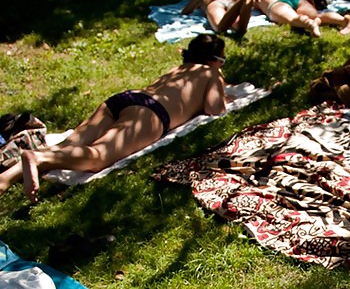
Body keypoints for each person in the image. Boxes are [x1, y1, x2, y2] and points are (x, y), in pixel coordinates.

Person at [0, 33, 228, 203]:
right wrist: (220, 81)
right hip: (151, 113)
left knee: (67, 146)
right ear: (216, 59)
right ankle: (36, 159)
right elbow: (214, 109)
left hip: (126, 98)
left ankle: (6, 179)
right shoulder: (211, 73)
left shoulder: (176, 69)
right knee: (98, 156)